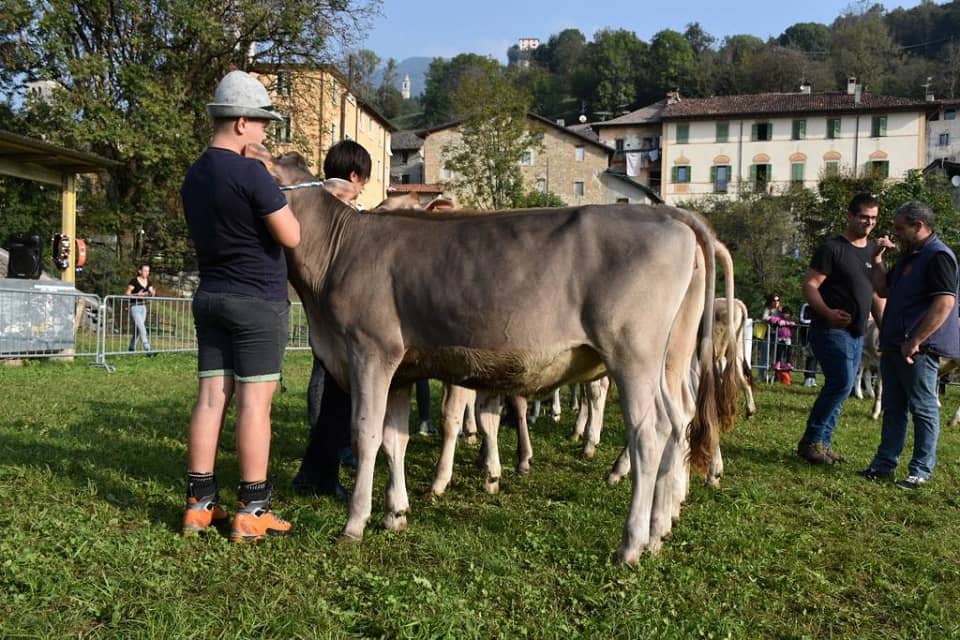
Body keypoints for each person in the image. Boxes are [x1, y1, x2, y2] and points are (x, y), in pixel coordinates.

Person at [179, 70, 301, 541]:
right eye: (263, 122)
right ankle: (252, 509)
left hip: (210, 295)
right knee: (255, 405)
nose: (267, 131)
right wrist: (269, 179)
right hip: (257, 302)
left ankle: (200, 504)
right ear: (242, 123)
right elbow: (292, 235)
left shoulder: (195, 173)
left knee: (211, 399)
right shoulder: (252, 172)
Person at [858, 200, 959, 488]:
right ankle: (884, 464)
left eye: (900, 228)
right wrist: (877, 259)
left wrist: (917, 339)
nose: (895, 233)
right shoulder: (908, 257)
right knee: (893, 407)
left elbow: (944, 303)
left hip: (919, 350)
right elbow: (883, 289)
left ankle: (921, 471)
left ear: (919, 226)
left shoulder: (938, 256)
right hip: (894, 345)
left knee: (924, 408)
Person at [292, 140, 371, 499]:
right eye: (362, 183)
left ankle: (315, 471)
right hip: (341, 314)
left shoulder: (308, 202)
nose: (360, 192)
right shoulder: (338, 206)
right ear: (354, 176)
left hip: (324, 310)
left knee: (329, 389)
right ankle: (322, 470)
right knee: (333, 393)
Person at [797, 193, 884, 465]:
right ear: (850, 216)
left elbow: (878, 294)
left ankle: (823, 444)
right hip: (830, 329)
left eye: (873, 218)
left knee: (843, 387)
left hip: (857, 333)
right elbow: (810, 285)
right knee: (842, 382)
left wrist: (886, 329)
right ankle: (811, 442)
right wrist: (827, 312)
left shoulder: (872, 252)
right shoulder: (832, 249)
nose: (868, 223)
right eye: (863, 217)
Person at [125, 263, 155, 352]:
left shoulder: (149, 282)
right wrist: (137, 294)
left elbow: (151, 293)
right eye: (145, 271)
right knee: (142, 328)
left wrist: (152, 293)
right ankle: (148, 349)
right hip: (135, 307)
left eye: (148, 271)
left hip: (143, 307)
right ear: (140, 271)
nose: (147, 273)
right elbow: (127, 294)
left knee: (138, 330)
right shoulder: (134, 281)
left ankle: (131, 347)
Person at [756, 293, 782, 382]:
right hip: (767, 335)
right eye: (774, 300)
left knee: (776, 358)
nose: (776, 302)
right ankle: (761, 375)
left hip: (778, 336)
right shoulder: (768, 309)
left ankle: (774, 376)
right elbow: (764, 318)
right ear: (771, 301)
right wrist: (771, 318)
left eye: (777, 300)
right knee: (764, 356)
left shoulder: (781, 311)